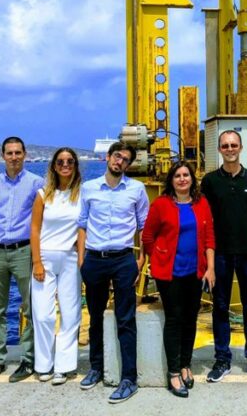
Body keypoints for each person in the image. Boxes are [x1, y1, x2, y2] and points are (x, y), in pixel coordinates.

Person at [77, 142, 149, 404]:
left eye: (126, 159)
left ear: (129, 164)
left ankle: (129, 378)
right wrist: (82, 260)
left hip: (123, 259)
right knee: (95, 316)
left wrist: (141, 260)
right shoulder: (89, 188)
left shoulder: (136, 189)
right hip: (95, 259)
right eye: (117, 156)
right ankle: (96, 367)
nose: (120, 162)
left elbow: (143, 225)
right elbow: (82, 224)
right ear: (108, 157)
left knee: (125, 318)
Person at [142, 161, 216, 398]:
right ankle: (174, 372)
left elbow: (209, 237)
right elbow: (148, 236)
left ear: (192, 179)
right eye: (177, 176)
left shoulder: (201, 203)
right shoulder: (161, 204)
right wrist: (158, 257)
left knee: (190, 319)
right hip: (169, 274)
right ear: (171, 180)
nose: (182, 179)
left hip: (195, 272)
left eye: (186, 175)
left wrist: (210, 268)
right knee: (174, 319)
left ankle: (185, 364)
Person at [201, 129, 247, 383]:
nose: (230, 149)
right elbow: (204, 218)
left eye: (233, 145)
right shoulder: (210, 182)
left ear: (241, 148)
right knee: (220, 306)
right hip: (219, 254)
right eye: (225, 145)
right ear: (219, 149)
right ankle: (222, 358)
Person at [0, 136, 44, 383]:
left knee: (30, 307)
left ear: (25, 154)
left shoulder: (36, 183)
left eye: (18, 152)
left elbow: (40, 217)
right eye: (10, 153)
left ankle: (28, 359)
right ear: (3, 156)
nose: (14, 157)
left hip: (23, 251)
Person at [30, 147, 83, 385]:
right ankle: (44, 365)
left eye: (70, 161)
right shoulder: (43, 195)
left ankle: (64, 366)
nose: (65, 165)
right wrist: (37, 261)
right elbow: (34, 229)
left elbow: (83, 228)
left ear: (75, 165)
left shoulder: (81, 194)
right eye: (60, 161)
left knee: (70, 314)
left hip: (71, 258)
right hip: (45, 258)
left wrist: (81, 256)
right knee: (43, 315)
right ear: (53, 166)